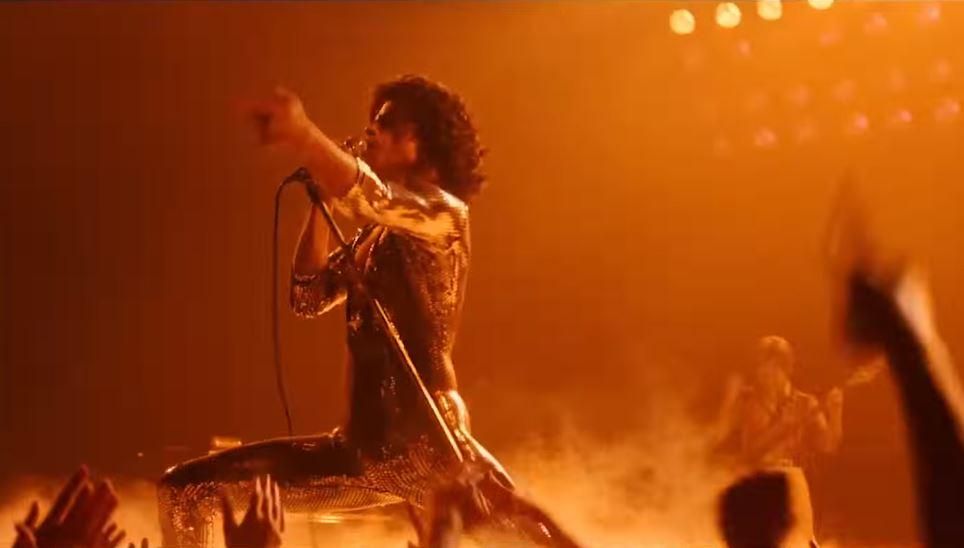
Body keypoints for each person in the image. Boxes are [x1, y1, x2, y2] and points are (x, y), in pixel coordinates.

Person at [158, 75, 558, 546]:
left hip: (428, 449)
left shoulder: (445, 216)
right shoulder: (374, 235)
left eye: (387, 123)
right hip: (361, 451)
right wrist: (322, 197)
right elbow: (308, 295)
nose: (371, 130)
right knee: (186, 492)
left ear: (424, 141)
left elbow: (373, 198)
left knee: (538, 538)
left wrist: (305, 136)